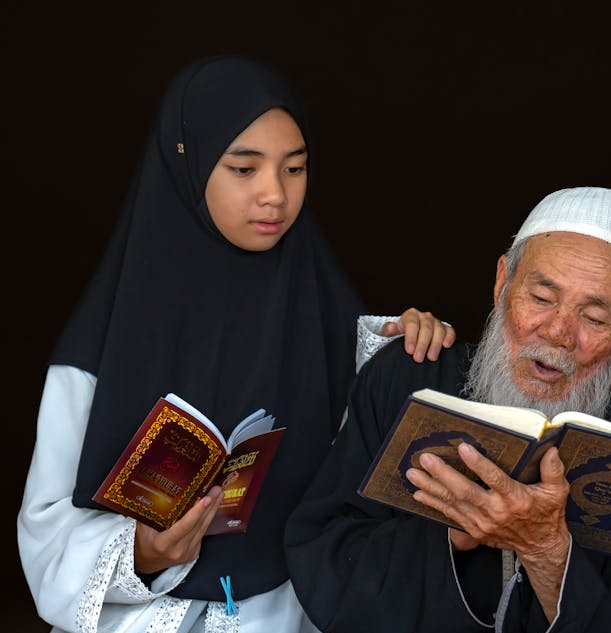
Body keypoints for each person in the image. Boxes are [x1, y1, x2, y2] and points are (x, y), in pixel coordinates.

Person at [17, 55, 456, 633]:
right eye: (244, 169)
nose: (275, 194)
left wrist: (406, 354)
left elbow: (377, 485)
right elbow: (46, 533)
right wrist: (143, 552)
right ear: (189, 165)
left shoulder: (332, 319)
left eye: (294, 168)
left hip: (290, 612)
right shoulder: (102, 344)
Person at [285, 186, 611, 633]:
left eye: (595, 318)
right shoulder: (408, 382)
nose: (558, 333)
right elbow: (324, 551)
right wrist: (455, 531)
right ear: (502, 281)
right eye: (541, 299)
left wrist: (547, 552)